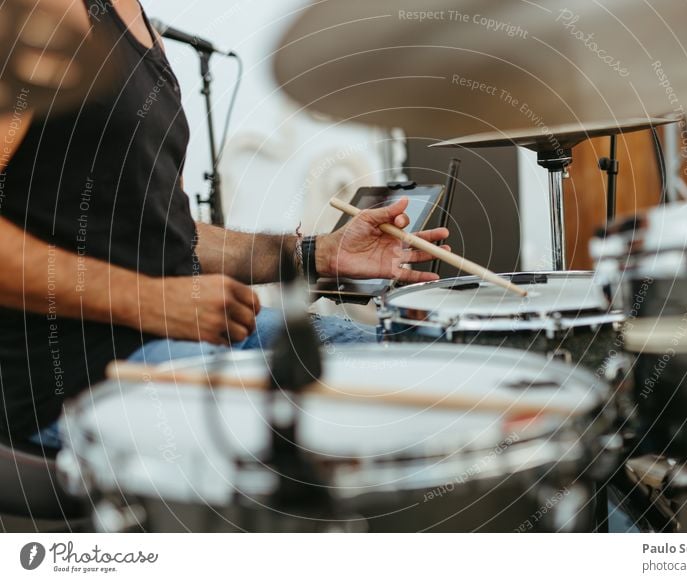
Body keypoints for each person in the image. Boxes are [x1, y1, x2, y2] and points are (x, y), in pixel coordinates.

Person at [0, 0, 448, 449]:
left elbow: (173, 237)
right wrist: (149, 300)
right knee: (323, 434)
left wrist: (319, 253)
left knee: (407, 369)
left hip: (181, 338)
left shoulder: (138, 28)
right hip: (68, 379)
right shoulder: (36, 12)